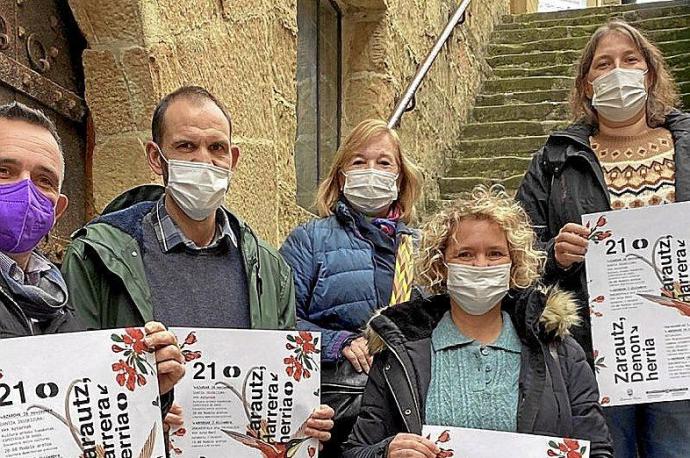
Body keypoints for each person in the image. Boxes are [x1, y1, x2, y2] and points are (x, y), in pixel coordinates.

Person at [60, 86, 333, 442]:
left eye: (216, 148)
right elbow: (74, 383)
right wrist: (143, 403)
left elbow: (278, 384)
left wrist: (301, 420)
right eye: (186, 146)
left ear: (233, 159)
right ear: (157, 158)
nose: (203, 160)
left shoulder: (270, 268)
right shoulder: (96, 256)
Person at [515, 20, 690, 458]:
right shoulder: (554, 159)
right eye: (603, 64)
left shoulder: (687, 142)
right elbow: (518, 249)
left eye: (630, 60)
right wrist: (556, 255)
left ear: (650, 73)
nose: (617, 72)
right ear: (585, 83)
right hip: (596, 353)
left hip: (683, 349)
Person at [342, 185, 613, 458]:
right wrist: (385, 452)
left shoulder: (560, 351)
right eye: (465, 254)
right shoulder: (400, 354)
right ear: (441, 266)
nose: (480, 265)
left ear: (514, 264)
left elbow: (597, 449)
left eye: (495, 254)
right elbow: (355, 451)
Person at [0, 101, 184, 401]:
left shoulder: (60, 300)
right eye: (4, 170)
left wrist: (147, 394)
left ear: (56, 210)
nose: (25, 189)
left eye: (43, 180)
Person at [280, 119, 423, 454]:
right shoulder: (309, 240)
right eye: (359, 162)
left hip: (405, 410)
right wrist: (336, 342)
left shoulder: (421, 248)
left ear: (400, 177)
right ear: (341, 177)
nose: (371, 171)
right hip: (336, 410)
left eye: (384, 162)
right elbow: (279, 320)